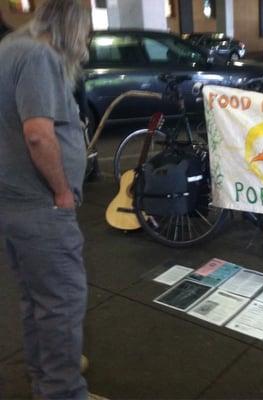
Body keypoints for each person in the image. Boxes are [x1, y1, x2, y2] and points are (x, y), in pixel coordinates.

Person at [0, 1, 95, 399]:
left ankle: (45, 381)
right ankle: (62, 391)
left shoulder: (10, 47)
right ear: (73, 22)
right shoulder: (39, 55)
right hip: (41, 207)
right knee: (61, 305)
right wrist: (61, 192)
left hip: (13, 203)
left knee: (38, 302)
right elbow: (38, 134)